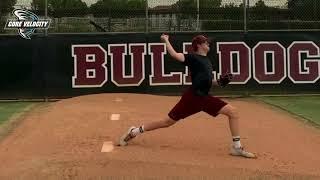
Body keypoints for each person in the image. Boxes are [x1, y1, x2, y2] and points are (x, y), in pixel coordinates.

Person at [119, 34, 256, 158]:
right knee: (167, 122)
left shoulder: (207, 61)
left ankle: (236, 147)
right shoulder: (193, 57)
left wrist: (219, 82)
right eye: (206, 42)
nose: (209, 44)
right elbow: (174, 55)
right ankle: (134, 131)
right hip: (193, 98)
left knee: (233, 112)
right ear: (199, 45)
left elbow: (208, 82)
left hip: (204, 98)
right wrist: (166, 40)